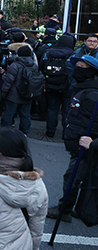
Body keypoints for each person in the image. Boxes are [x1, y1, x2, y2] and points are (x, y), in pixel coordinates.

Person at [47, 55, 98, 223]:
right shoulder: (81, 88)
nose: (77, 68)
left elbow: (93, 122)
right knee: (80, 176)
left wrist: (90, 142)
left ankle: (65, 209)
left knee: (74, 177)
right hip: (77, 142)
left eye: (81, 66)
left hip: (85, 145)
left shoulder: (91, 94)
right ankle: (80, 208)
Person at [41, 34, 75, 139]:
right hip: (68, 87)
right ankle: (66, 132)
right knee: (66, 110)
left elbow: (42, 67)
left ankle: (50, 131)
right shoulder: (73, 55)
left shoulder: (48, 53)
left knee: (52, 108)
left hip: (51, 85)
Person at [0, 46, 37, 135]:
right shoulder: (34, 65)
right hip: (27, 94)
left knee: (9, 114)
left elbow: (9, 80)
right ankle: (24, 133)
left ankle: (6, 132)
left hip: (14, 95)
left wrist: (4, 92)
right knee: (25, 115)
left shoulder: (15, 65)